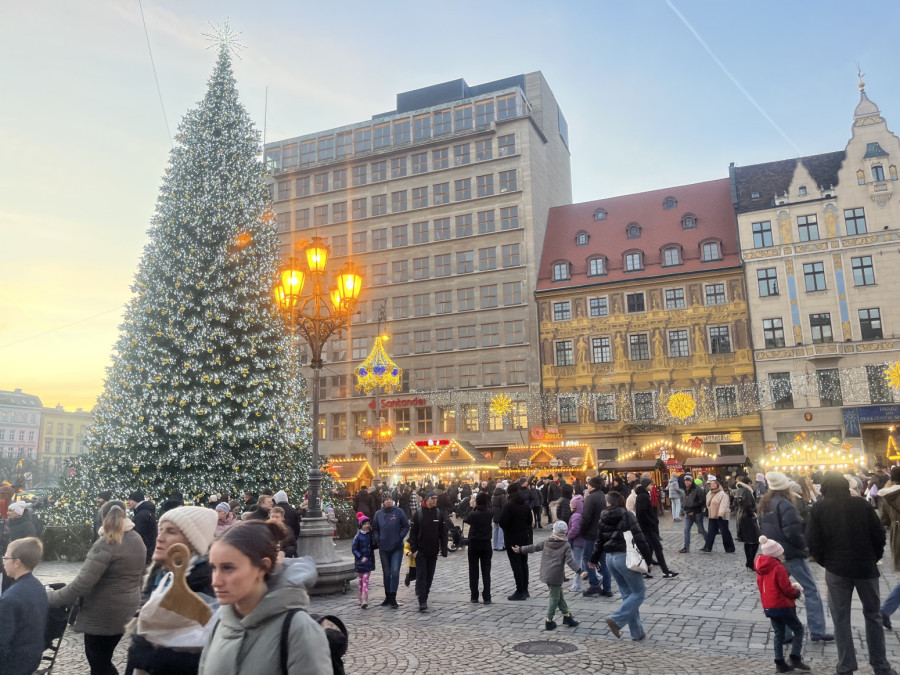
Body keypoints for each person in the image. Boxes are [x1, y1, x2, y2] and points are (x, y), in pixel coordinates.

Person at [200, 521, 332, 674]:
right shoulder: (219, 622)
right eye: (213, 568)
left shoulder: (299, 629)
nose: (216, 581)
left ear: (263, 567)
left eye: (228, 568)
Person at [807, 472, 893, 675]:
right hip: (866, 567)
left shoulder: (819, 508)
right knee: (873, 616)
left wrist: (826, 562)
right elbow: (879, 534)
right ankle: (880, 665)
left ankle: (846, 665)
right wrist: (874, 556)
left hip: (837, 569)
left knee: (840, 618)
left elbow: (813, 541)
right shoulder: (861, 505)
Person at [48, 499, 147, 675]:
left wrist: (50, 597)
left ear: (102, 517)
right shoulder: (136, 538)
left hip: (103, 611)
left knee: (99, 661)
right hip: (127, 606)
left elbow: (82, 584)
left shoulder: (107, 542)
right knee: (103, 658)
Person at [125, 505, 219, 675]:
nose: (159, 538)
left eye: (171, 531)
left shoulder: (207, 584)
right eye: (160, 530)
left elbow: (193, 659)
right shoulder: (160, 575)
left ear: (194, 542)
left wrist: (144, 651)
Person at [759, 471, 832, 643]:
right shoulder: (785, 504)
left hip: (774, 553)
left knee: (779, 590)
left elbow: (762, 527)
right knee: (811, 590)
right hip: (790, 553)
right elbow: (792, 531)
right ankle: (817, 630)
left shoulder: (765, 503)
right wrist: (804, 547)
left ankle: (785, 633)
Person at [591, 491, 654, 641]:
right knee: (639, 593)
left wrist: (593, 558)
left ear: (608, 502)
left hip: (610, 559)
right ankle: (616, 620)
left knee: (627, 595)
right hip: (625, 557)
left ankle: (637, 632)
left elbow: (599, 540)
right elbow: (640, 538)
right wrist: (648, 560)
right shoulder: (628, 515)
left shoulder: (603, 517)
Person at [755, 536, 811, 673]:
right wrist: (796, 592)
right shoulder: (778, 568)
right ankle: (795, 658)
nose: (783, 555)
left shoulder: (760, 569)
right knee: (798, 629)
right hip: (783, 605)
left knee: (779, 633)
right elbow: (786, 589)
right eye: (781, 553)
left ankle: (780, 662)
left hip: (770, 606)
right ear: (776, 554)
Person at [514, 520, 582, 631]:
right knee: (554, 598)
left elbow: (534, 547)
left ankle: (567, 616)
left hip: (546, 573)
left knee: (559, 596)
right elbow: (571, 562)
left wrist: (521, 549)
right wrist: (580, 571)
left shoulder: (547, 542)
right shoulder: (566, 546)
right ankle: (549, 620)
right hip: (555, 576)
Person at [0, 537, 48, 675]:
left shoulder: (10, 598)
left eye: (6, 557)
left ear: (17, 562)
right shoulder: (37, 586)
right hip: (31, 657)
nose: (3, 561)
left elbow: (2, 641)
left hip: (12, 665)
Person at [408, 491, 448, 612]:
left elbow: (443, 532)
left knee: (429, 576)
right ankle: (422, 600)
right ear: (426, 499)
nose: (435, 500)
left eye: (436, 498)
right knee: (421, 576)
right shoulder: (419, 514)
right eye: (432, 498)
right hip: (420, 551)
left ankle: (425, 595)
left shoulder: (438, 513)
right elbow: (413, 533)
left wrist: (444, 548)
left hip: (433, 551)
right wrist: (414, 550)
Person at [372, 492, 410, 608]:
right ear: (383, 502)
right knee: (387, 573)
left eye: (390, 499)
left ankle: (393, 596)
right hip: (383, 547)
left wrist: (399, 537)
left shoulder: (398, 512)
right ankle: (387, 596)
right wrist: (378, 539)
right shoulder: (378, 514)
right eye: (386, 499)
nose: (389, 501)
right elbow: (375, 528)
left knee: (394, 571)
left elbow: (406, 526)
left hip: (396, 547)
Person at [634, 477, 677, 578]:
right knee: (657, 548)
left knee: (650, 549)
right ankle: (665, 571)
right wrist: (652, 522)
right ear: (646, 485)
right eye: (651, 484)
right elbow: (642, 513)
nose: (652, 486)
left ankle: (647, 570)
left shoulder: (643, 495)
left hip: (647, 527)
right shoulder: (643, 496)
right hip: (647, 527)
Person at [498, 482, 533, 601]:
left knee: (516, 564)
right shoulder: (525, 505)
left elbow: (503, 522)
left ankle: (520, 591)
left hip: (512, 538)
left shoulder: (508, 506)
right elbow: (530, 521)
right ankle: (525, 589)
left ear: (509, 493)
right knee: (524, 563)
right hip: (524, 537)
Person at [579, 476, 613, 598]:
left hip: (592, 534)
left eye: (588, 485)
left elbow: (586, 517)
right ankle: (607, 588)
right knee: (603, 561)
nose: (587, 487)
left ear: (592, 486)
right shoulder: (605, 497)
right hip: (604, 533)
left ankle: (594, 585)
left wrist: (582, 531)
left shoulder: (590, 498)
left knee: (587, 559)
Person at [464, 491, 494, 603]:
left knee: (473, 571)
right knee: (486, 571)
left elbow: (465, 519)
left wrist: (471, 507)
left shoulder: (474, 514)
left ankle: (474, 596)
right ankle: (487, 596)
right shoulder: (490, 513)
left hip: (474, 544)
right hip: (486, 544)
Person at [880, 467, 900, 629]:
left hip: (896, 535)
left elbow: (884, 520)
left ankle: (885, 610)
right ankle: (885, 610)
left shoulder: (887, 496)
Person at [734, 475, 761, 571]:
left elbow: (734, 504)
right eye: (751, 484)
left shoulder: (738, 490)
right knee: (755, 540)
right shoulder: (747, 491)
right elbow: (748, 505)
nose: (752, 485)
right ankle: (750, 562)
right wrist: (753, 515)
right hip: (748, 517)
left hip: (740, 516)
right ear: (749, 483)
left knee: (747, 540)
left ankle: (749, 562)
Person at [701, 476, 735, 553]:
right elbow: (708, 503)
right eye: (711, 484)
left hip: (721, 516)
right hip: (712, 515)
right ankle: (708, 547)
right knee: (711, 532)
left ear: (718, 485)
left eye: (714, 484)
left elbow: (724, 505)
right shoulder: (709, 493)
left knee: (724, 532)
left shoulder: (722, 494)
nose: (712, 485)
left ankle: (730, 548)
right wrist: (708, 511)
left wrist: (720, 514)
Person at [351, 513, 376, 609]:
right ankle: (360, 598)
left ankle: (364, 599)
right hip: (360, 562)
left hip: (368, 562)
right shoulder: (357, 537)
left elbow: (374, 545)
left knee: (365, 580)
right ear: (361, 525)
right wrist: (360, 557)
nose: (367, 525)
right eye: (365, 524)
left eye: (368, 524)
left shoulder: (370, 535)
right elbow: (354, 549)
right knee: (360, 581)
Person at [128, 490, 158, 564]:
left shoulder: (141, 515)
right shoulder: (145, 512)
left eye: (130, 500)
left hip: (144, 553)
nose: (128, 502)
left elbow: (138, 534)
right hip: (149, 551)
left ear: (136, 500)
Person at [680, 477, 707, 553]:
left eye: (688, 481)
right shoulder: (685, 489)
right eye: (685, 481)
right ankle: (686, 547)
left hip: (697, 513)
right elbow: (683, 500)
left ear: (691, 481)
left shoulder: (698, 489)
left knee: (701, 529)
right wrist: (684, 507)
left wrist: (693, 506)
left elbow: (702, 501)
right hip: (688, 513)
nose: (686, 482)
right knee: (686, 530)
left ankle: (708, 544)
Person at [567, 493, 586, 593]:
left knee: (577, 564)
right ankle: (597, 576)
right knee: (583, 562)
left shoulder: (576, 516)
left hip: (577, 543)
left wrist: (568, 537)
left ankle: (576, 586)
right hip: (582, 541)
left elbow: (575, 529)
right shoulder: (581, 514)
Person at [491, 482, 507, 550]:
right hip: (501, 514)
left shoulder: (493, 495)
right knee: (501, 530)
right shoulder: (502, 496)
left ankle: (494, 546)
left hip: (495, 514)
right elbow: (504, 506)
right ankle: (500, 546)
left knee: (495, 530)